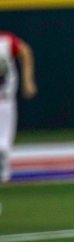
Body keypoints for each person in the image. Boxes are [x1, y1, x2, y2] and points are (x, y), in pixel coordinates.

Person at [0, 31, 37, 183]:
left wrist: (28, 80)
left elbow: (24, 50)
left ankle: (2, 168)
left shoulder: (5, 41)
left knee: (3, 143)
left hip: (5, 100)